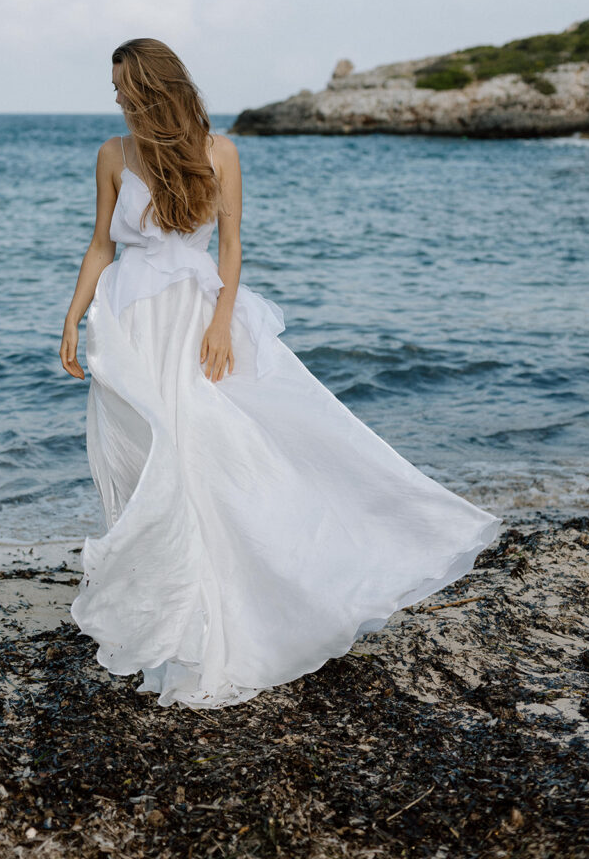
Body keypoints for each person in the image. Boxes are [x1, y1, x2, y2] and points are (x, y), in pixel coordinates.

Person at [61, 37, 502, 711]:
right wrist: (72, 318)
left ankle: (227, 605)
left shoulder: (219, 152)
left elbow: (232, 248)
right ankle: (160, 602)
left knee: (203, 456)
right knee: (141, 461)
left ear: (153, 88)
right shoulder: (112, 154)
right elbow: (99, 245)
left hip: (191, 322)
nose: (115, 96)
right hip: (127, 330)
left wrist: (219, 322)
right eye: (114, 85)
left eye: (124, 85)